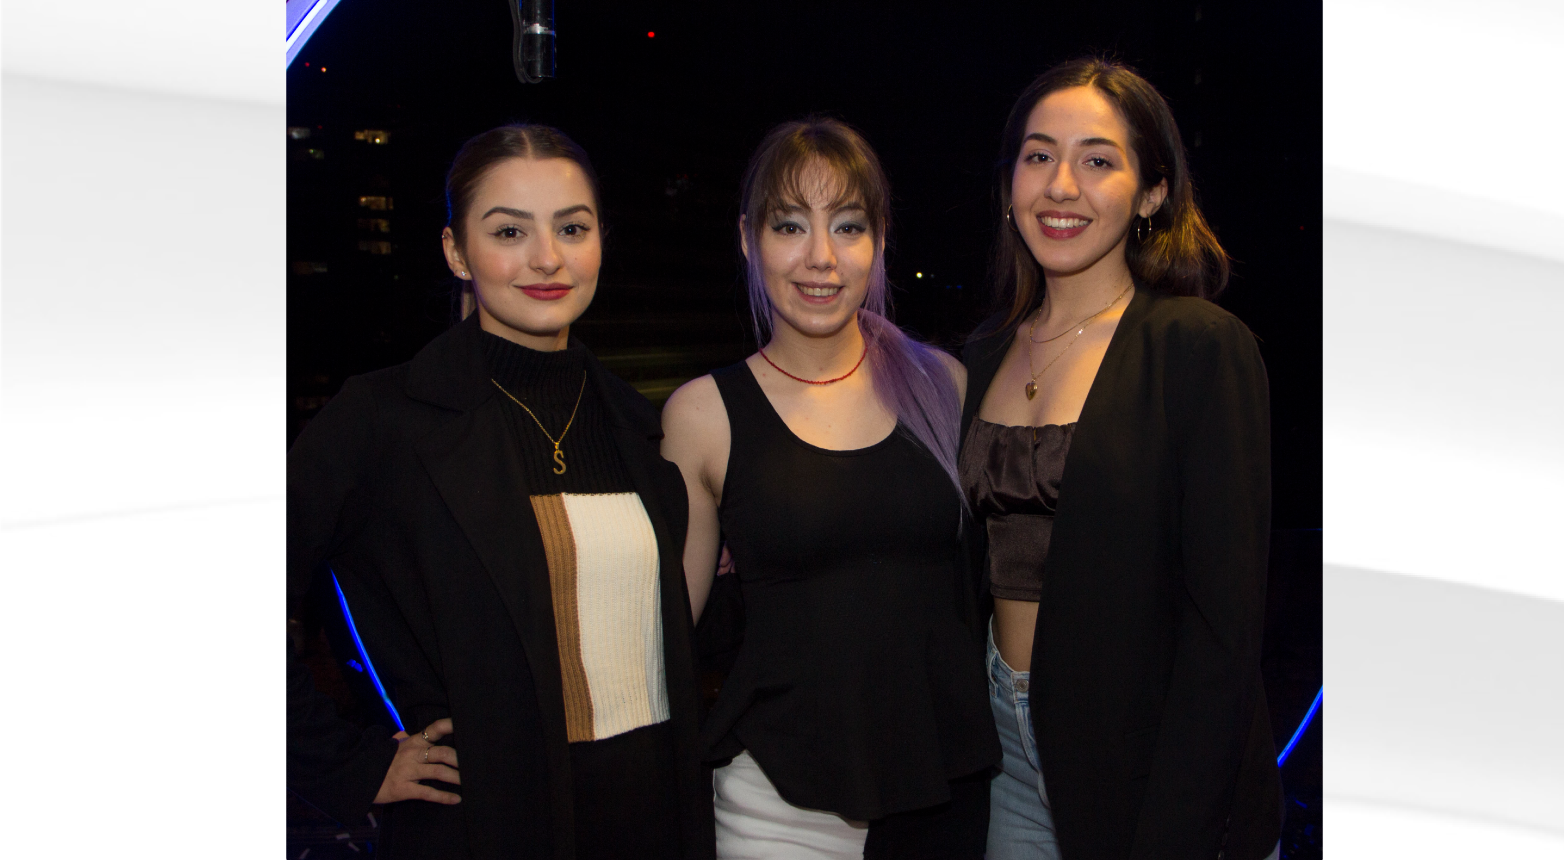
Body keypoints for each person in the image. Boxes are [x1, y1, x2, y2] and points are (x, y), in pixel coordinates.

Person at [286, 124, 713, 860]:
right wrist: (349, 765)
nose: (547, 257)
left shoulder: (637, 427)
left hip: (651, 816)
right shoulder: (380, 421)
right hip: (482, 825)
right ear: (456, 251)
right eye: (509, 231)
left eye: (571, 228)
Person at [958, 58, 1283, 859]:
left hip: (1148, 759)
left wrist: (1180, 824)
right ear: (1008, 185)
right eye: (1038, 156)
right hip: (998, 753)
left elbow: (1223, 631)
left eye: (1097, 161)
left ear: (1151, 194)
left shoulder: (1197, 347)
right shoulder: (980, 355)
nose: (1060, 185)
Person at [660, 118, 1000, 859]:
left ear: (879, 241)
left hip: (941, 787)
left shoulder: (941, 385)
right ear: (748, 239)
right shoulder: (703, 414)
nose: (820, 257)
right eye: (789, 225)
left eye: (847, 226)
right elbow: (665, 628)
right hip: (780, 802)